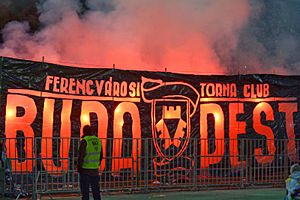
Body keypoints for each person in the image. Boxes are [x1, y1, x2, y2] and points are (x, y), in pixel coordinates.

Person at [77, 125, 103, 200]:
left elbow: (81, 156)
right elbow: (101, 155)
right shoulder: (98, 140)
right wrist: (97, 164)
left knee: (85, 192)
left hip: (85, 170)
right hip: (95, 169)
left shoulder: (85, 141)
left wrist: (79, 167)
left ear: (84, 131)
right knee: (96, 191)